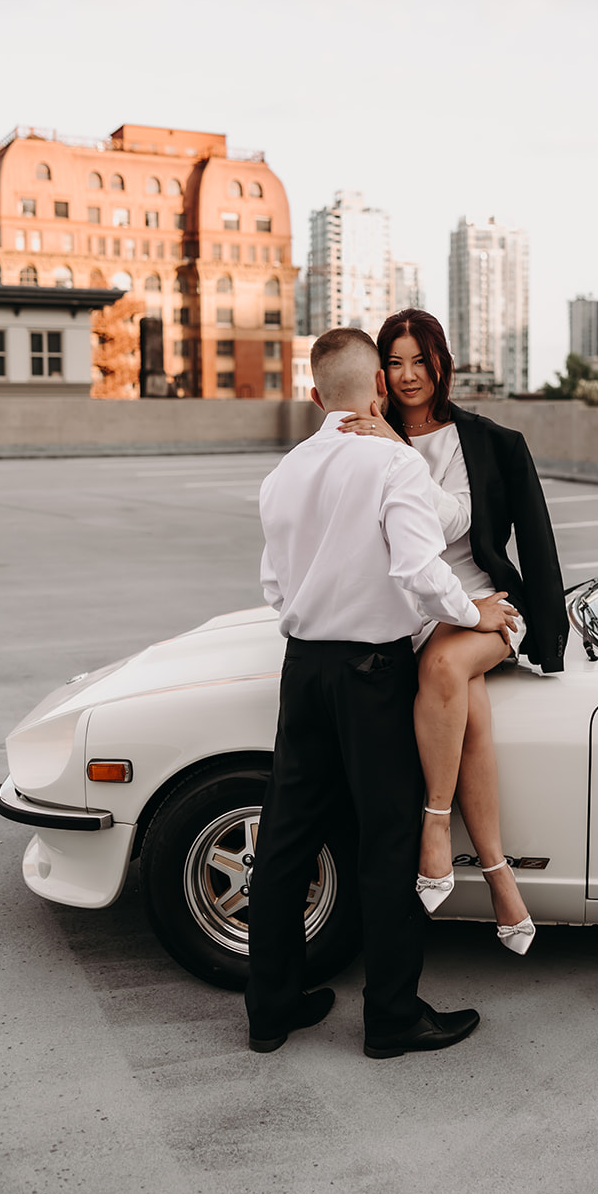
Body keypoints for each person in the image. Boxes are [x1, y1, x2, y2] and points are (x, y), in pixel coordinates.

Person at [244, 327, 518, 1058]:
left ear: (312, 395)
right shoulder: (391, 464)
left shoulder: (284, 473)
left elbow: (274, 585)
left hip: (301, 669)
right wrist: (475, 612)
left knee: (286, 840)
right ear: (375, 391)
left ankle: (270, 1011)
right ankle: (392, 1018)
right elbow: (421, 572)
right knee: (388, 841)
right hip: (371, 674)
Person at [339, 309, 567, 956]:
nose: (408, 375)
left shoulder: (494, 442)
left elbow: (538, 545)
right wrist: (383, 440)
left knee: (444, 668)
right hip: (414, 611)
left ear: (442, 362)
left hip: (487, 605)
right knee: (469, 715)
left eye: (420, 360)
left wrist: (546, 643)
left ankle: (434, 828)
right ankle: (500, 880)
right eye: (394, 361)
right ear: (378, 371)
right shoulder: (368, 439)